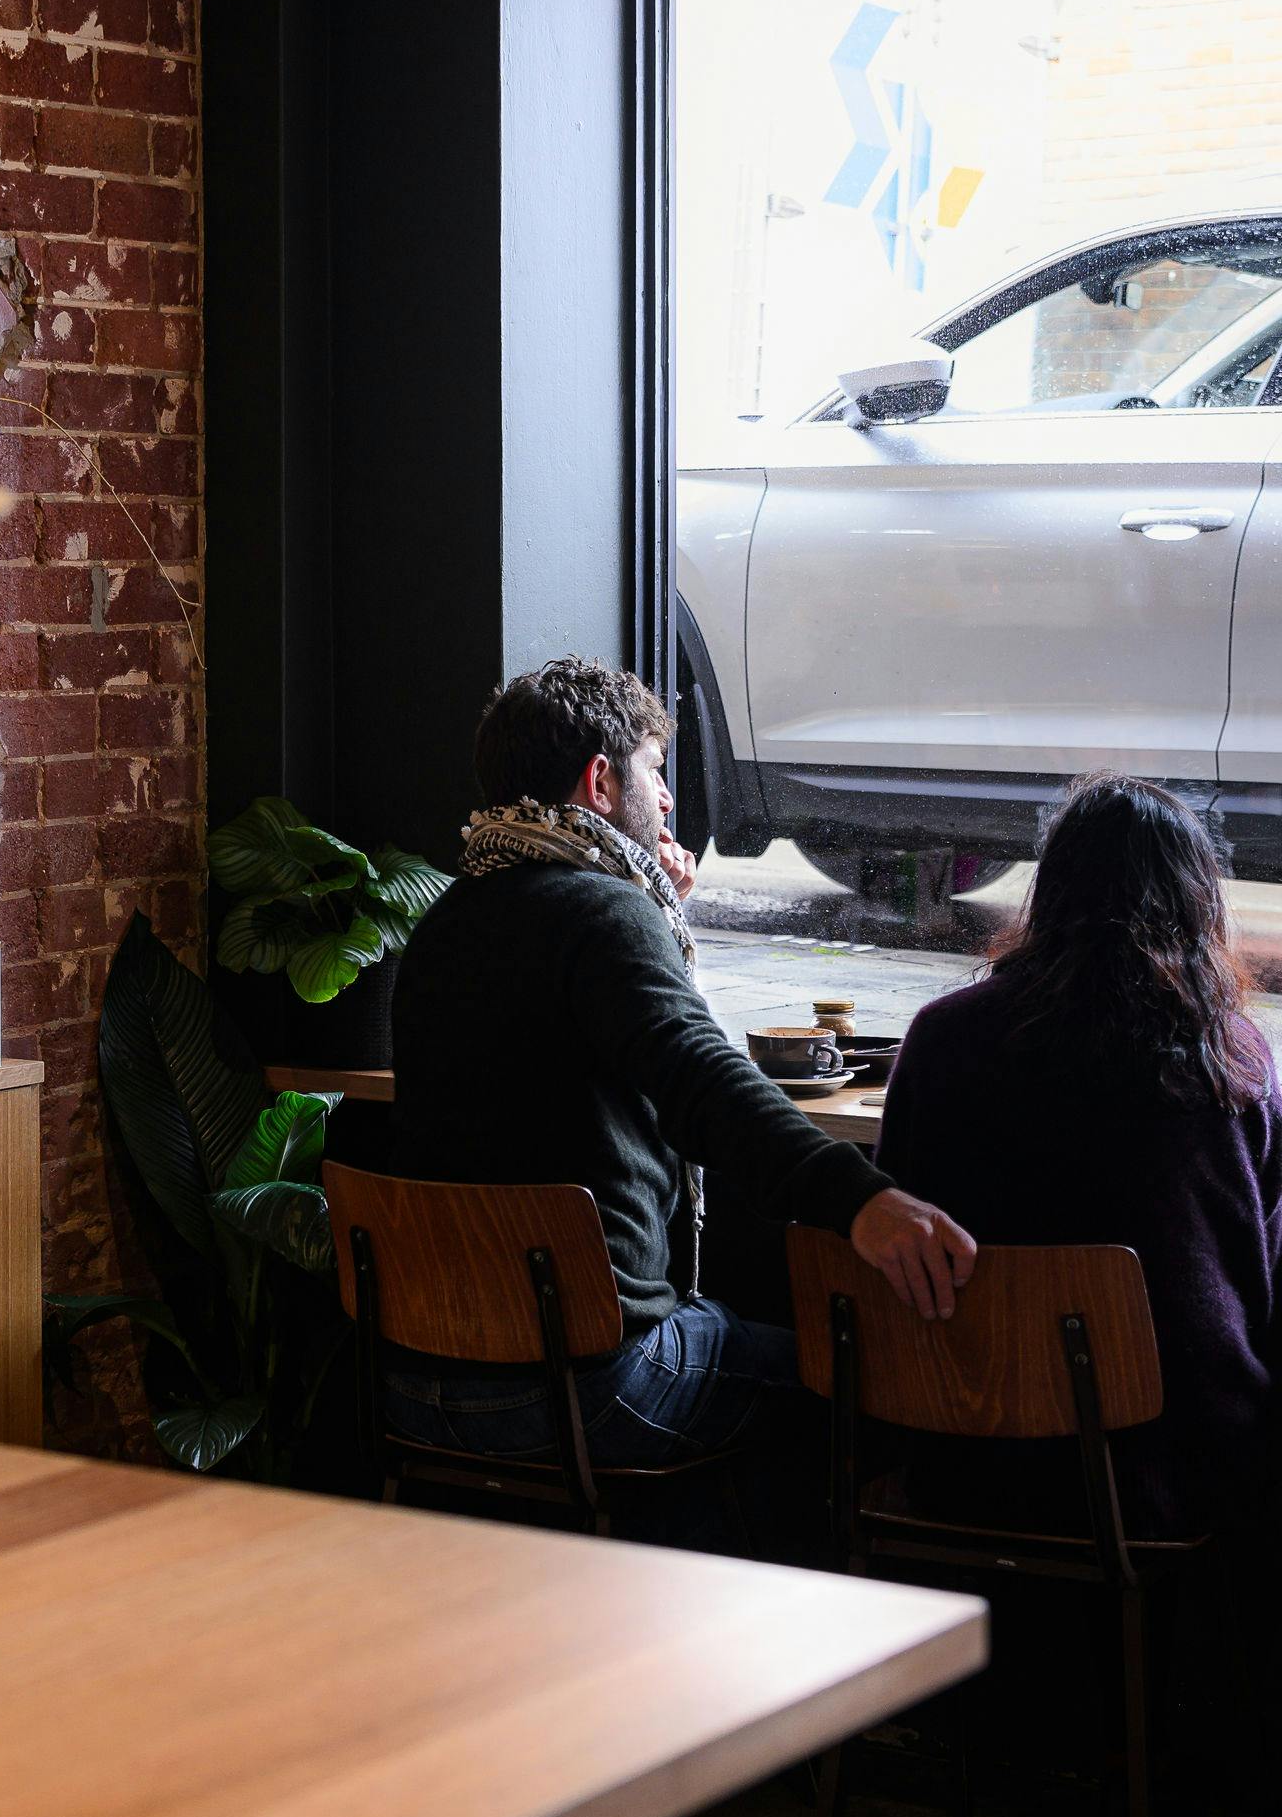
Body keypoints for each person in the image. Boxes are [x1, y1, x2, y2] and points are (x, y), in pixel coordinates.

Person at [384, 656, 973, 1473]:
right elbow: (698, 1077)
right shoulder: (603, 914)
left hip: (416, 1380)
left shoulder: (445, 922)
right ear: (599, 782)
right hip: (582, 1387)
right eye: (654, 771)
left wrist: (657, 915)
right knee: (851, 1372)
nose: (666, 799)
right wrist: (860, 1201)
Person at [879, 775, 1281, 1543]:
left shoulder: (942, 1037)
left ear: (1050, 892)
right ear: (1199, 902)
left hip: (964, 1454)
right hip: (1174, 1471)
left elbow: (894, 1209)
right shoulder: (1232, 1065)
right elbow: (1259, 1282)